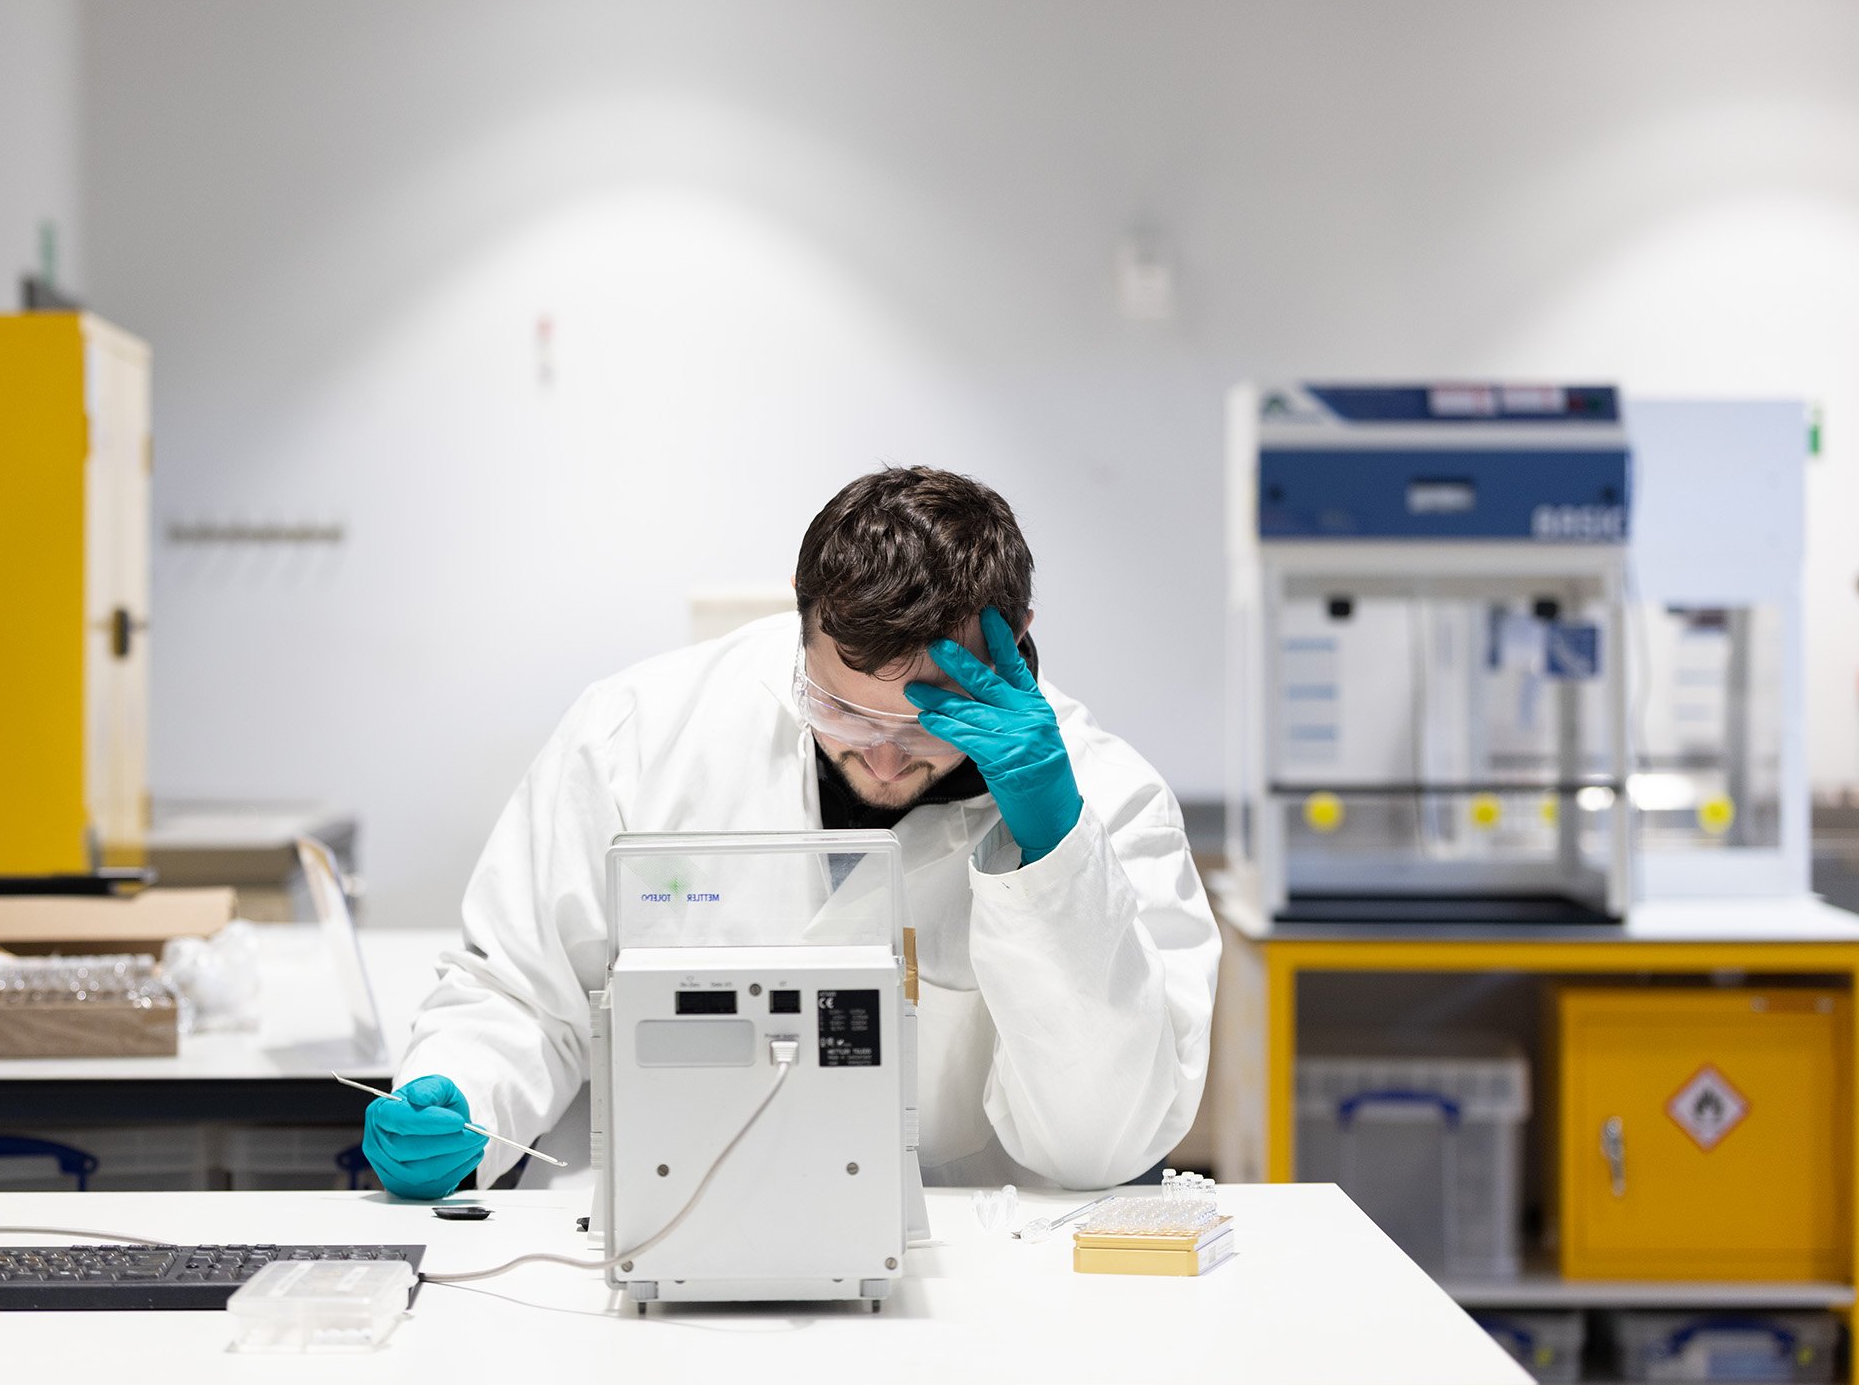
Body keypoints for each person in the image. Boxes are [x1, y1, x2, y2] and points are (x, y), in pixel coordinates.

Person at [361, 467, 1219, 1199]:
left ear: (1013, 649)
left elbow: (1100, 1147)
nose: (883, 763)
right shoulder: (639, 736)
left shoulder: (1109, 800)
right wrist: (464, 1095)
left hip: (963, 1289)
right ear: (802, 634)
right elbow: (521, 988)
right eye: (842, 710)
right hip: (668, 1246)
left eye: (926, 724)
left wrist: (1055, 856)